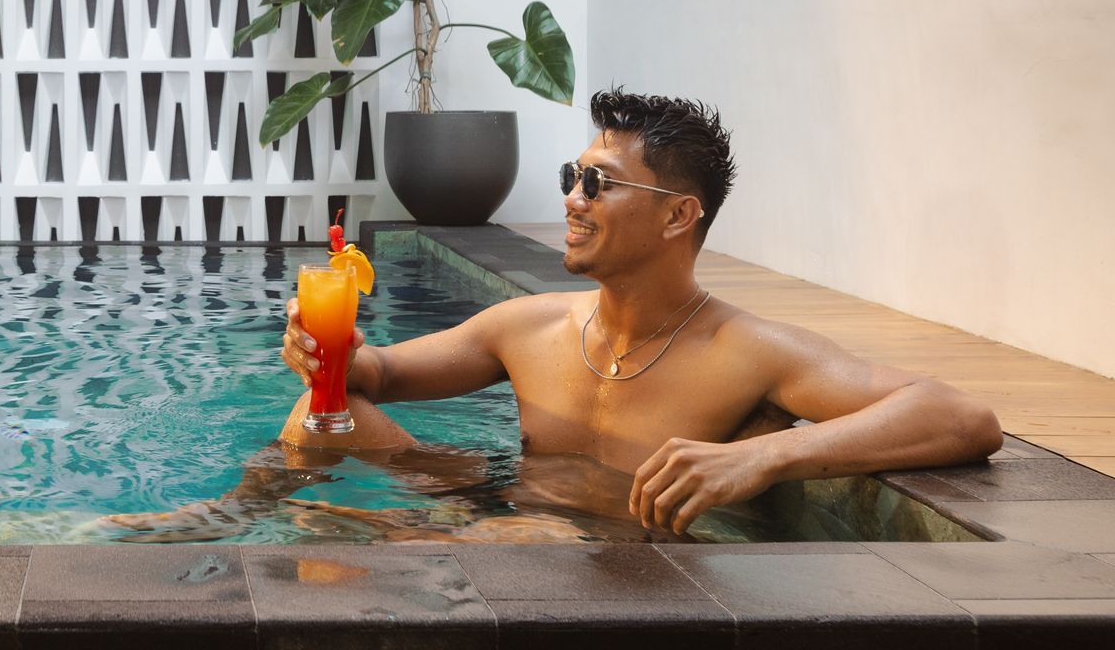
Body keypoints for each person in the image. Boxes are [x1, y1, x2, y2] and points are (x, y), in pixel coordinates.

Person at [272, 87, 1003, 536]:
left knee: (355, 556)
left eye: (598, 184)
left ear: (679, 215)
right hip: (502, 526)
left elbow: (961, 417)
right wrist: (330, 354)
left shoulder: (746, 350)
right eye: (573, 177)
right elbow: (381, 374)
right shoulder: (530, 327)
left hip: (634, 568)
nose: (571, 199)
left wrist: (764, 455)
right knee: (318, 411)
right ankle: (236, 519)